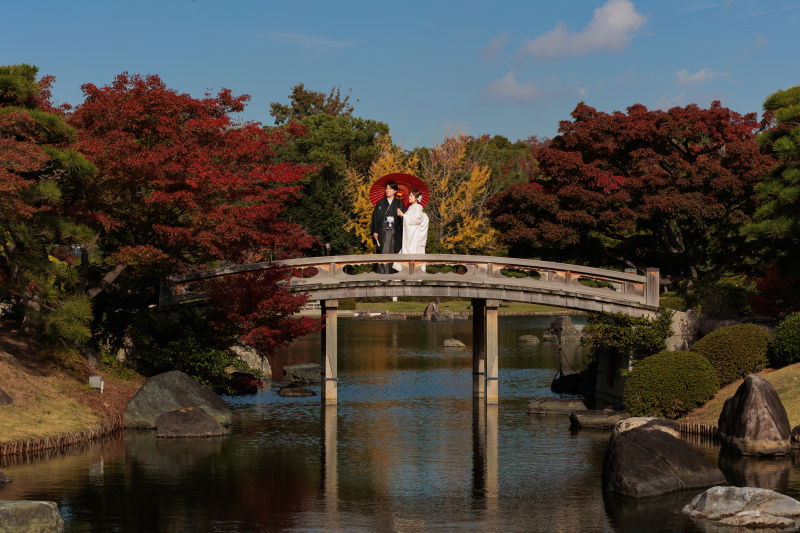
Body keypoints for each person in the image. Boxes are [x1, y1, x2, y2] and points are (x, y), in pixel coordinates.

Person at [370, 181, 406, 274]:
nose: (387, 190)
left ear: (395, 191)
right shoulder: (380, 203)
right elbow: (375, 218)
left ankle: (394, 275)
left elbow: (405, 221)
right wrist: (375, 231)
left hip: (395, 232)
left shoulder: (400, 204)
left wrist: (401, 215)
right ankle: (382, 274)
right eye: (386, 188)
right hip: (383, 232)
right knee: (383, 251)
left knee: (395, 252)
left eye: (390, 189)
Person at [393, 189, 429, 273]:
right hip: (410, 236)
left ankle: (412, 275)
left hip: (413, 238)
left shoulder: (417, 208)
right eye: (409, 195)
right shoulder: (411, 207)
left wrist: (404, 215)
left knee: (413, 255)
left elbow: (416, 220)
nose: (409, 197)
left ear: (416, 198)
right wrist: (403, 215)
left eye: (411, 196)